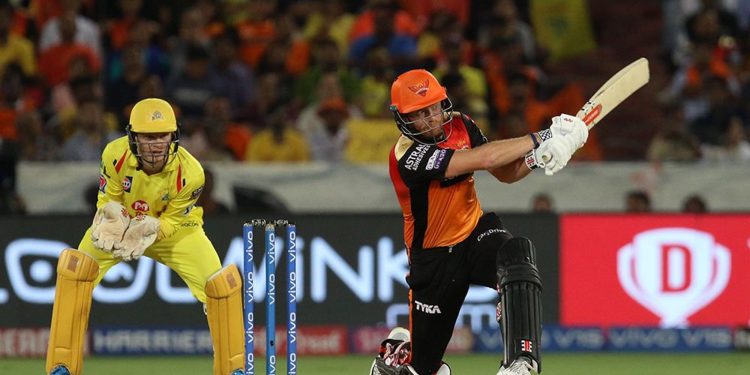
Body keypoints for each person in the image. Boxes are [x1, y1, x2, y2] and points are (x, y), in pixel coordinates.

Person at [374, 69, 588, 375]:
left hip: (475, 234)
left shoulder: (461, 124)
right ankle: (396, 353)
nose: (432, 118)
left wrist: (538, 157)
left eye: (434, 107)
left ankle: (520, 362)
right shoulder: (406, 156)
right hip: (433, 259)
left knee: (516, 255)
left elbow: (505, 173)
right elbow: (483, 159)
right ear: (403, 119)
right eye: (420, 114)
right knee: (425, 369)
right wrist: (543, 136)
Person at [45, 98, 244, 375]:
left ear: (173, 136)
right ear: (132, 136)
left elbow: (173, 220)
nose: (155, 144)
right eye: (147, 136)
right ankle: (61, 366)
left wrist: (152, 229)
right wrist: (112, 216)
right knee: (76, 271)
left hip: (176, 231)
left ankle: (234, 369)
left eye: (161, 136)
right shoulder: (114, 154)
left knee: (221, 286)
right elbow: (108, 200)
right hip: (122, 226)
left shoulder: (192, 173)